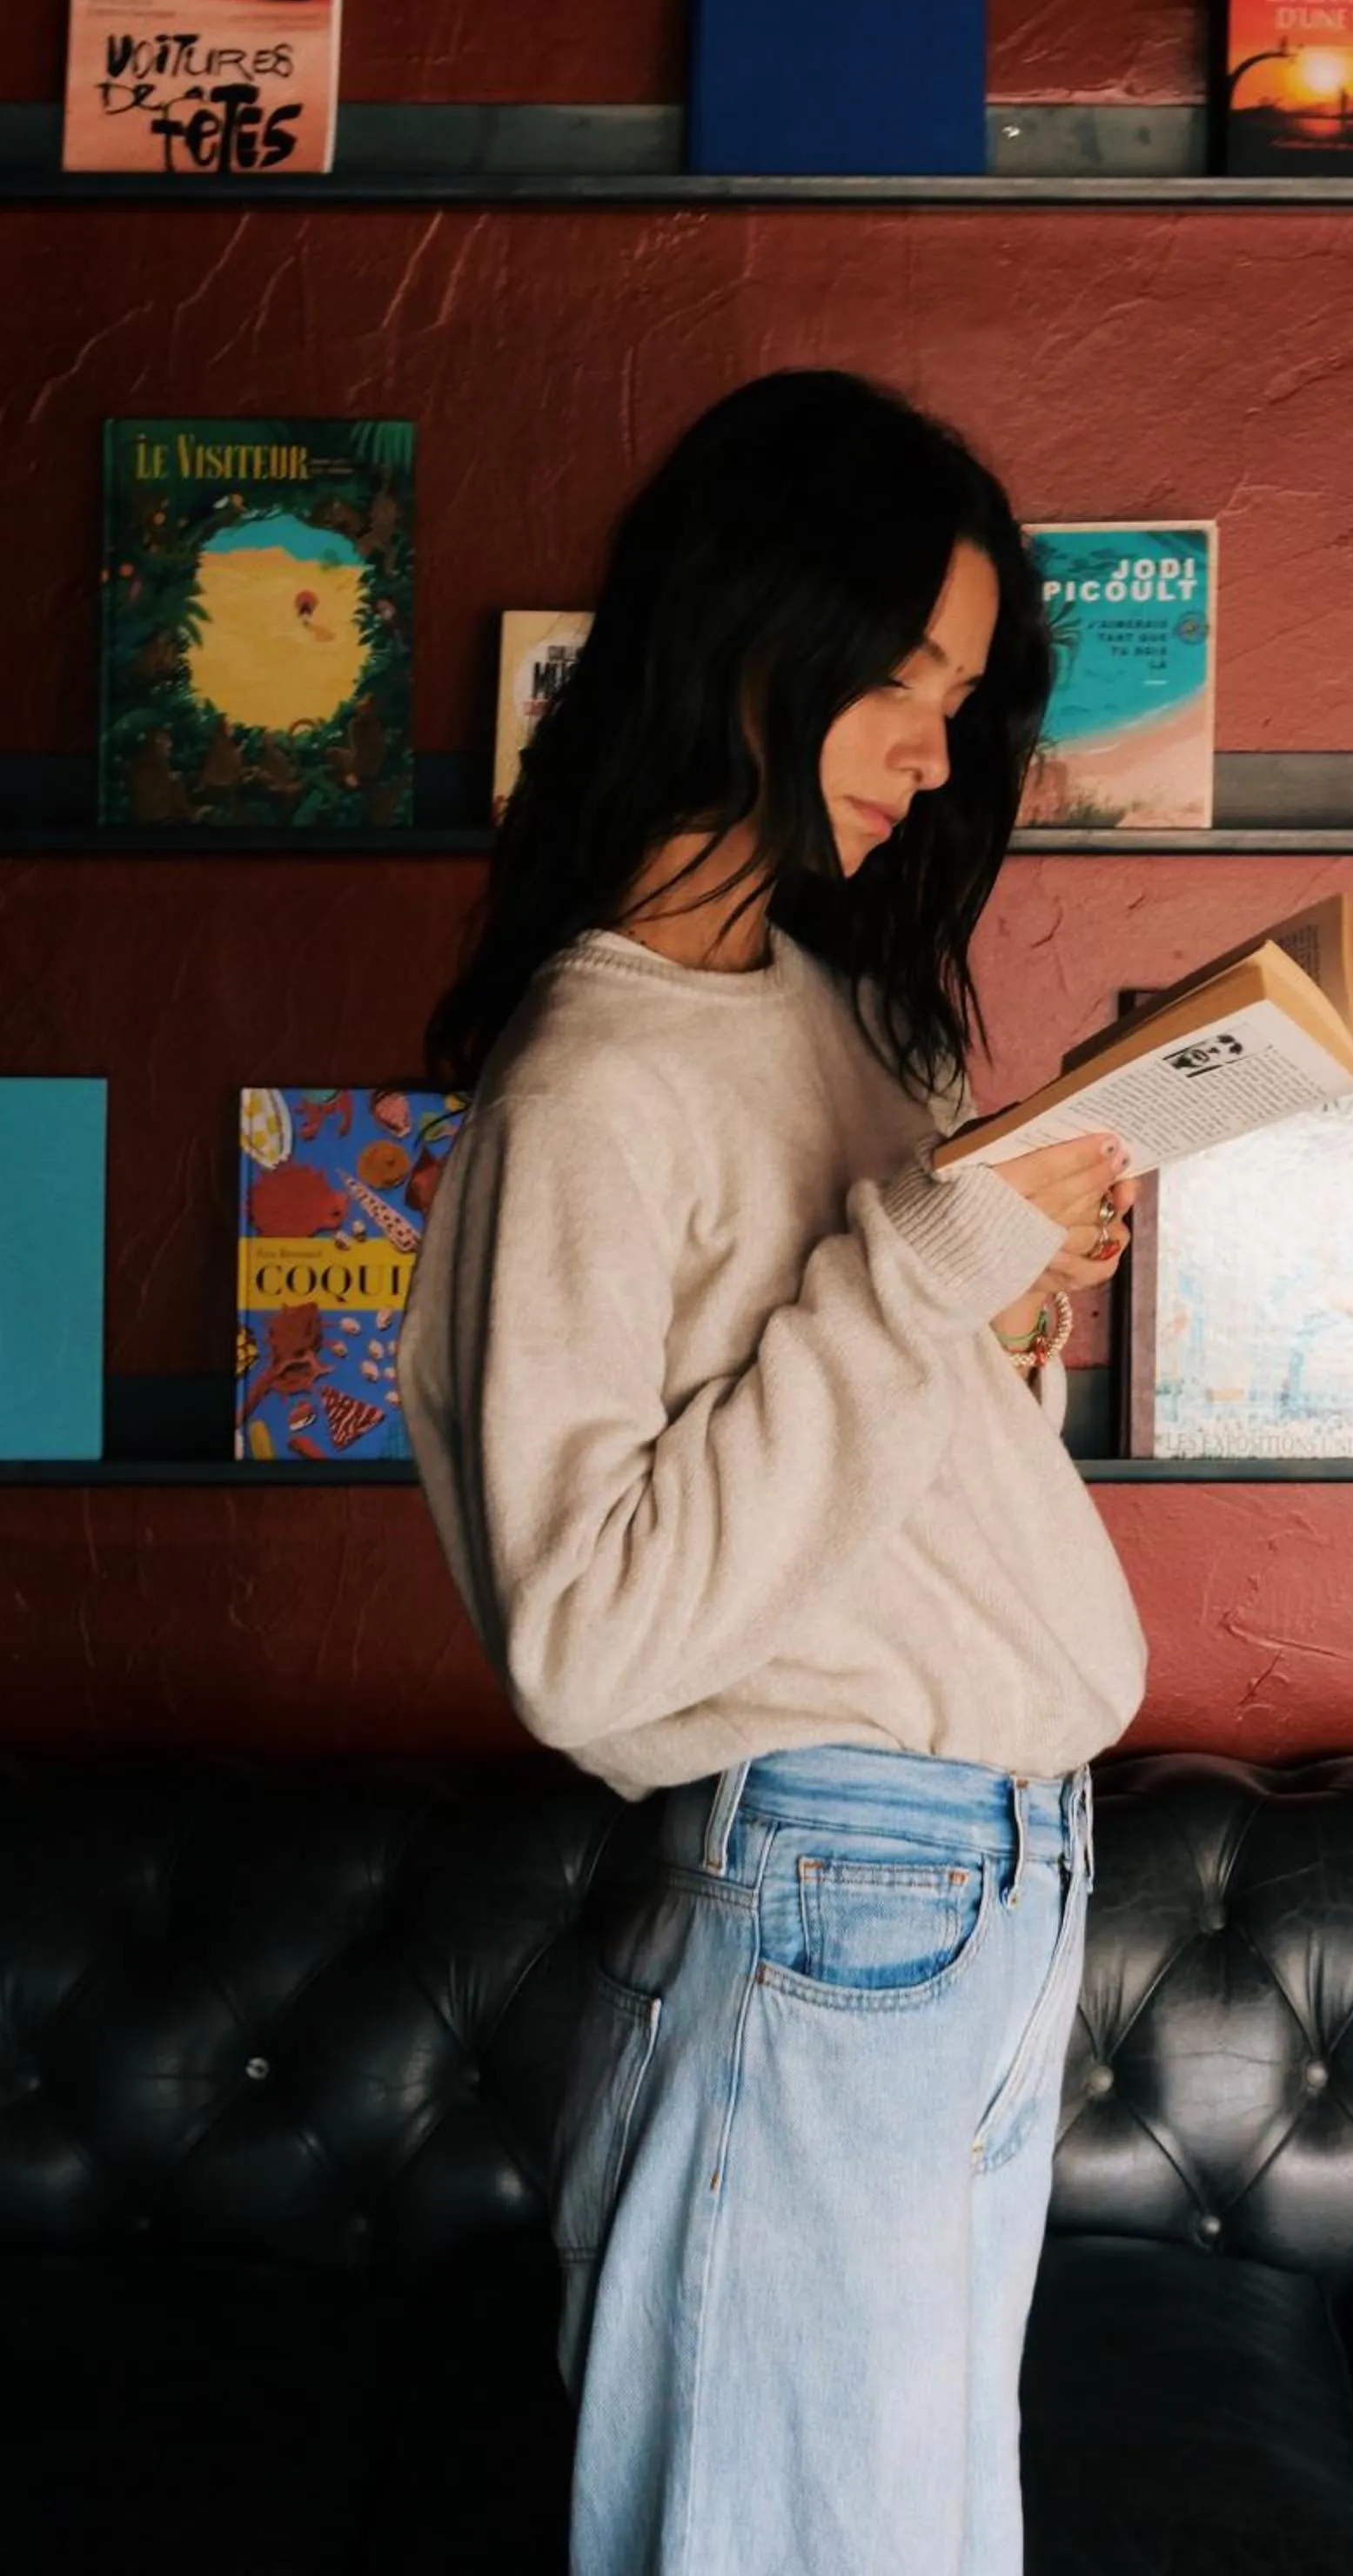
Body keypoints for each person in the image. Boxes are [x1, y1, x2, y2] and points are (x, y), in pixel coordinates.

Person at [400, 367, 1149, 2576]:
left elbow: (842, 1460)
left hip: (978, 1899)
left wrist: (996, 1320)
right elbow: (591, 1637)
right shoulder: (594, 1075)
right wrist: (929, 1275)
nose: (938, 750)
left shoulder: (820, 1008)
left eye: (961, 693)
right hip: (851, 1890)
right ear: (754, 639)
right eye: (906, 683)